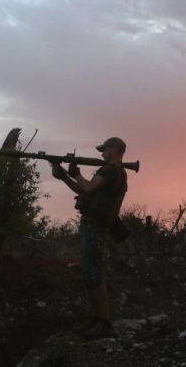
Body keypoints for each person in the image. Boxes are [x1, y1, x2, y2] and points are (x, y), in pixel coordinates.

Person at [52, 137, 128, 339]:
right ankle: (96, 320)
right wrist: (65, 177)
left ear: (113, 149)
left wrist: (76, 173)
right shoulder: (114, 172)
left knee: (93, 273)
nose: (102, 154)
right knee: (89, 272)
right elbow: (83, 189)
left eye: (104, 150)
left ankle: (104, 323)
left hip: (95, 226)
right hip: (93, 224)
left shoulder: (111, 170)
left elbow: (87, 187)